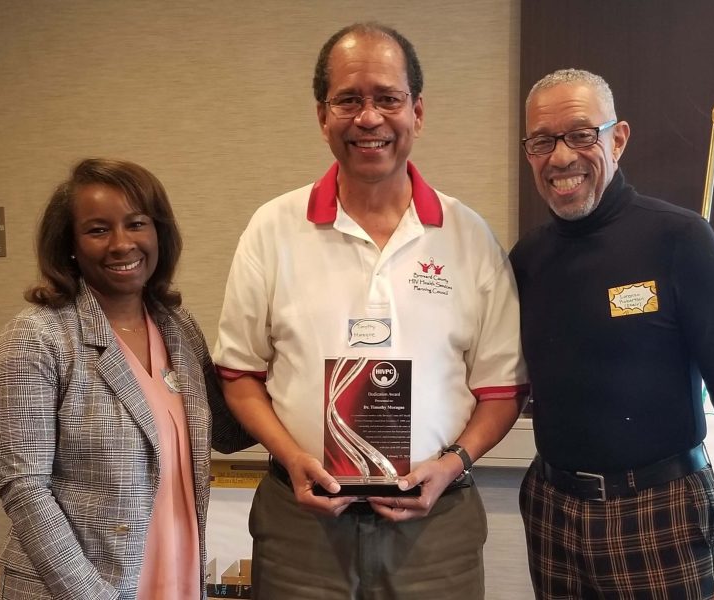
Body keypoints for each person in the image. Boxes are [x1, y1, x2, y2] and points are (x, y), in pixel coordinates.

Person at [213, 22, 529, 600]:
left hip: (437, 528)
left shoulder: (468, 236)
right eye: (348, 100)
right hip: (301, 525)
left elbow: (501, 389)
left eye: (388, 98)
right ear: (322, 115)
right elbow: (238, 375)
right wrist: (291, 455)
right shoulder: (272, 229)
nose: (369, 118)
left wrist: (453, 463)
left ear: (418, 111)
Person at [510, 68, 714, 599]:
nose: (562, 157)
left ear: (619, 137)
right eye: (543, 140)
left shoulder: (680, 241)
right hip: (552, 514)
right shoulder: (527, 258)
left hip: (661, 517)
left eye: (583, 134)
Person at [0, 158, 254, 600]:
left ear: (158, 234)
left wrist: (289, 351)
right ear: (69, 244)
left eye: (136, 224)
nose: (121, 244)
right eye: (97, 230)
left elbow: (228, 430)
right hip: (83, 589)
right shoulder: (38, 336)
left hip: (178, 575)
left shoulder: (178, 326)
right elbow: (24, 488)